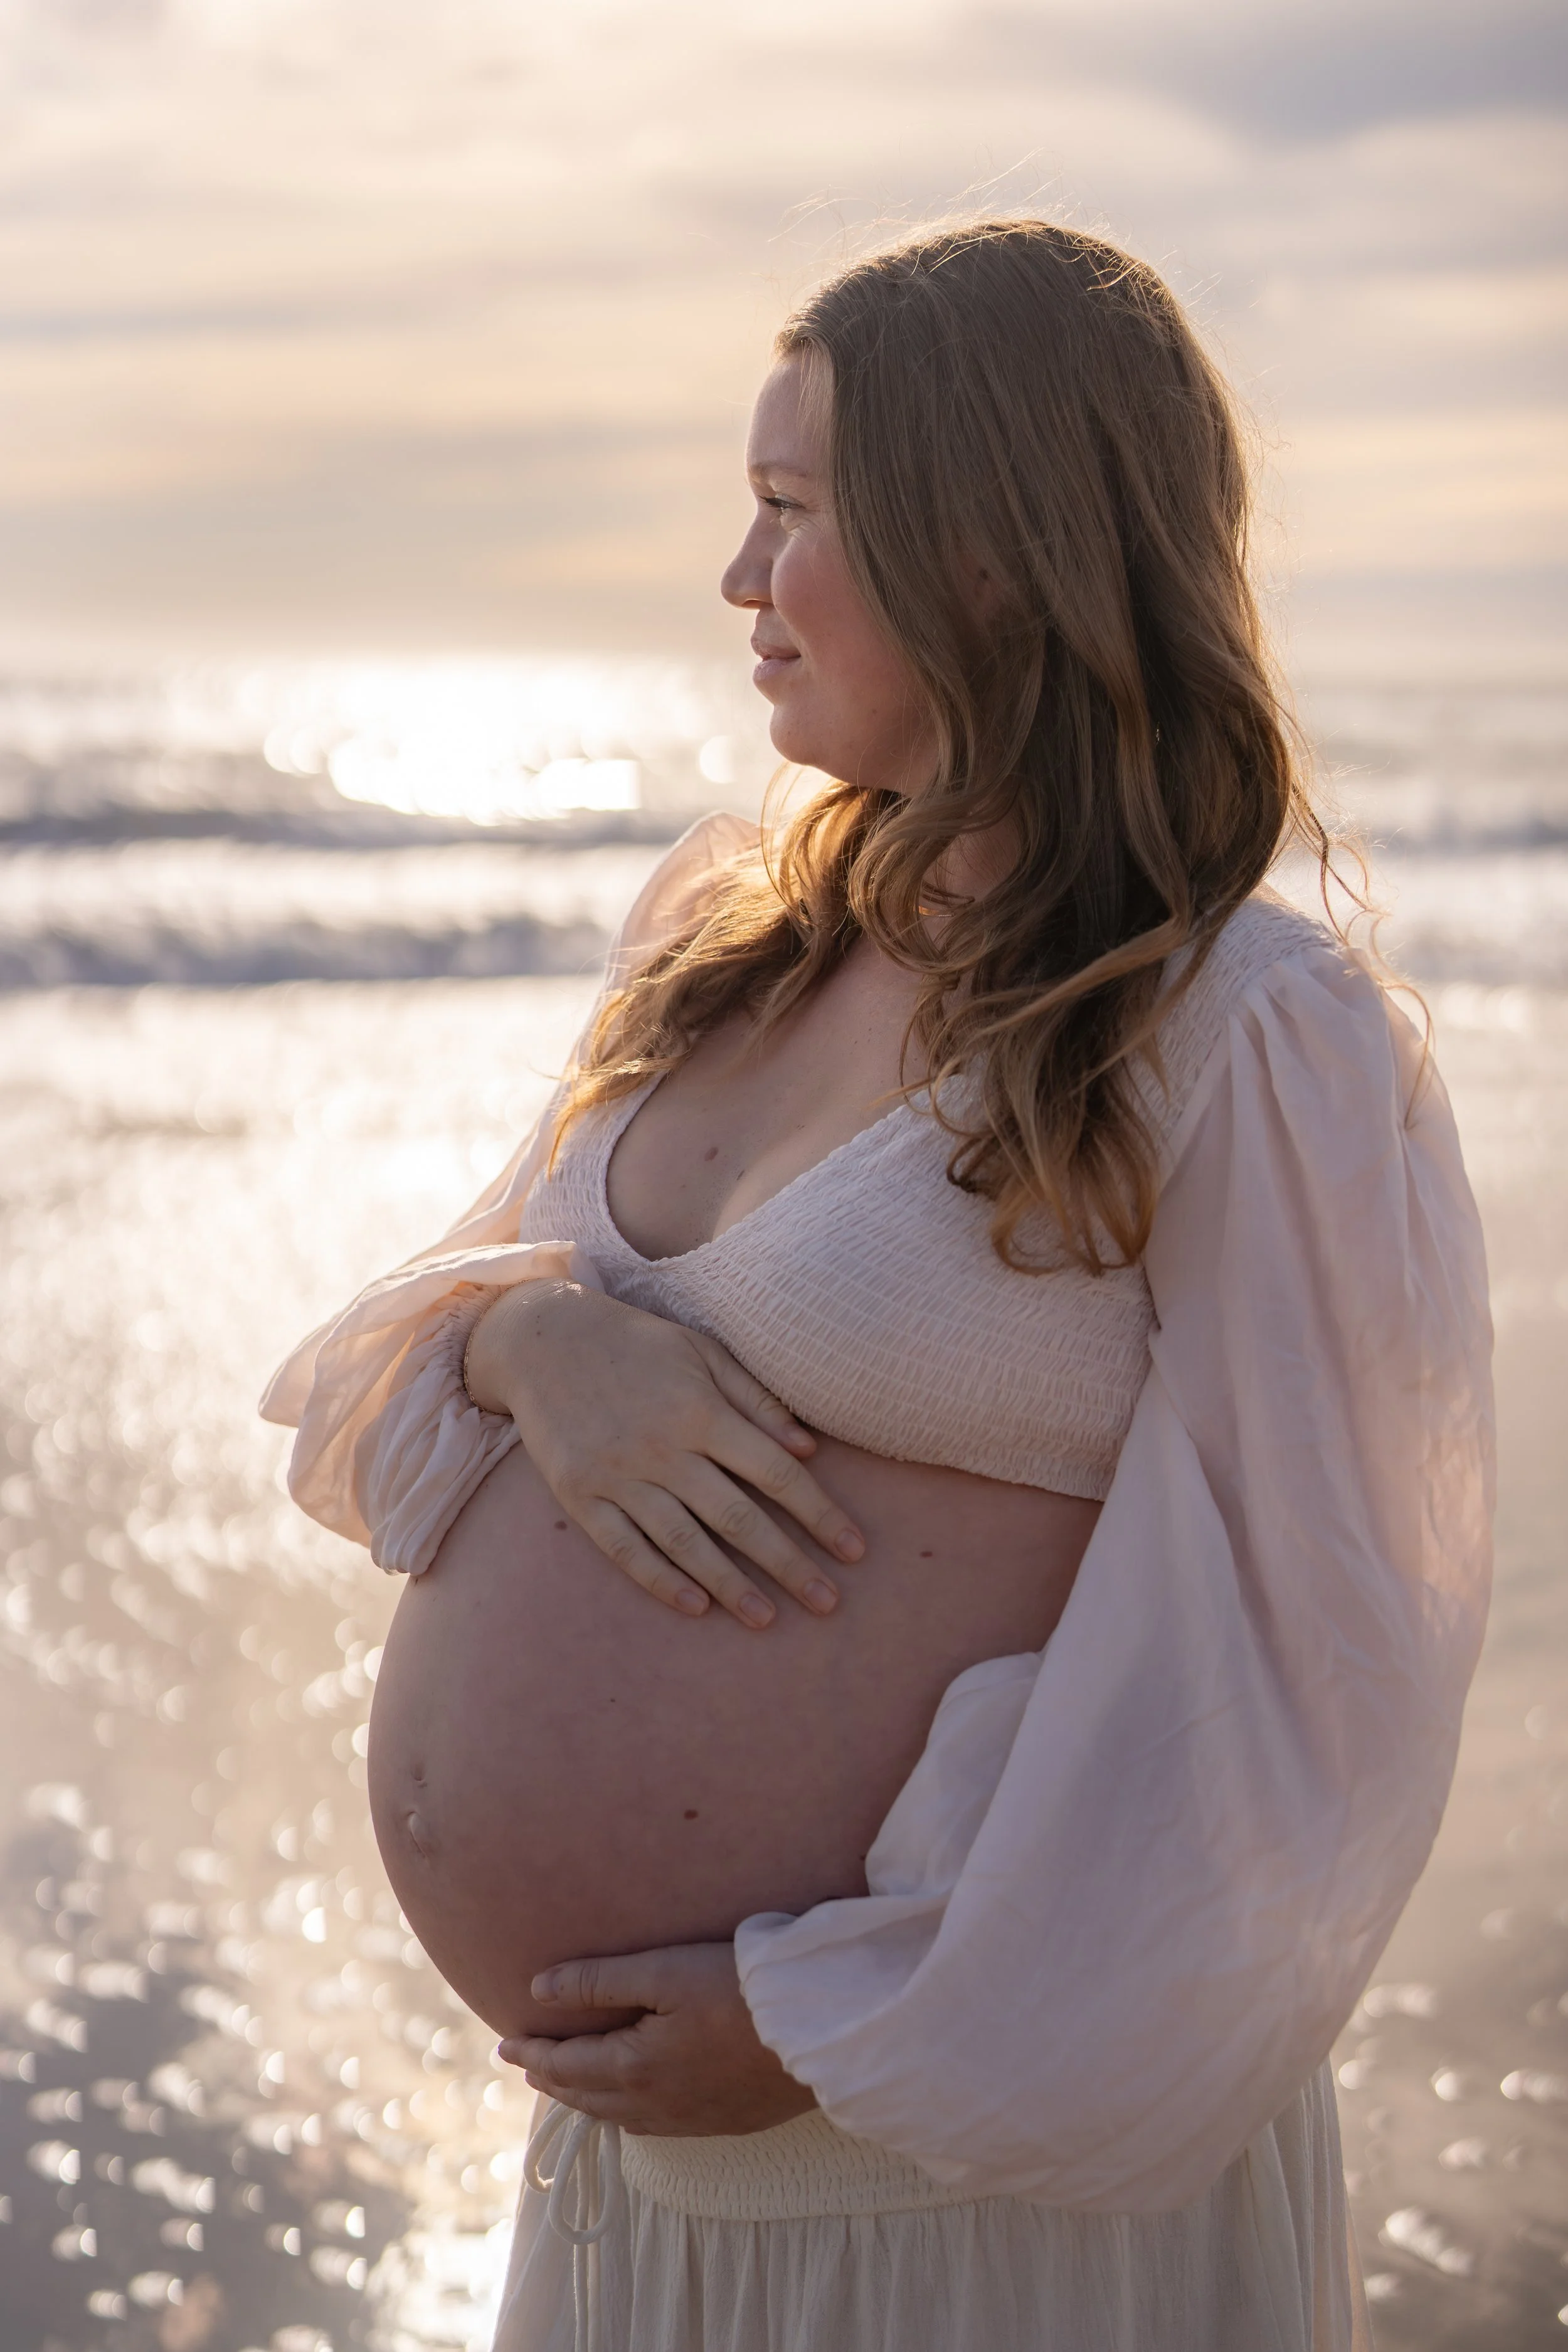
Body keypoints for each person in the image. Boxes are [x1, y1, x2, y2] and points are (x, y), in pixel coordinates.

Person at [262, 220, 1494, 2352]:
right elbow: (389, 1386)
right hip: (634, 2166)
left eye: (787, 513)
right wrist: (543, 1339)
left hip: (961, 2175)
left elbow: (1314, 1689)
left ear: (993, 546)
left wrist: (836, 2026)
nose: (738, 586)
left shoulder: (1240, 1028)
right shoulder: (722, 930)